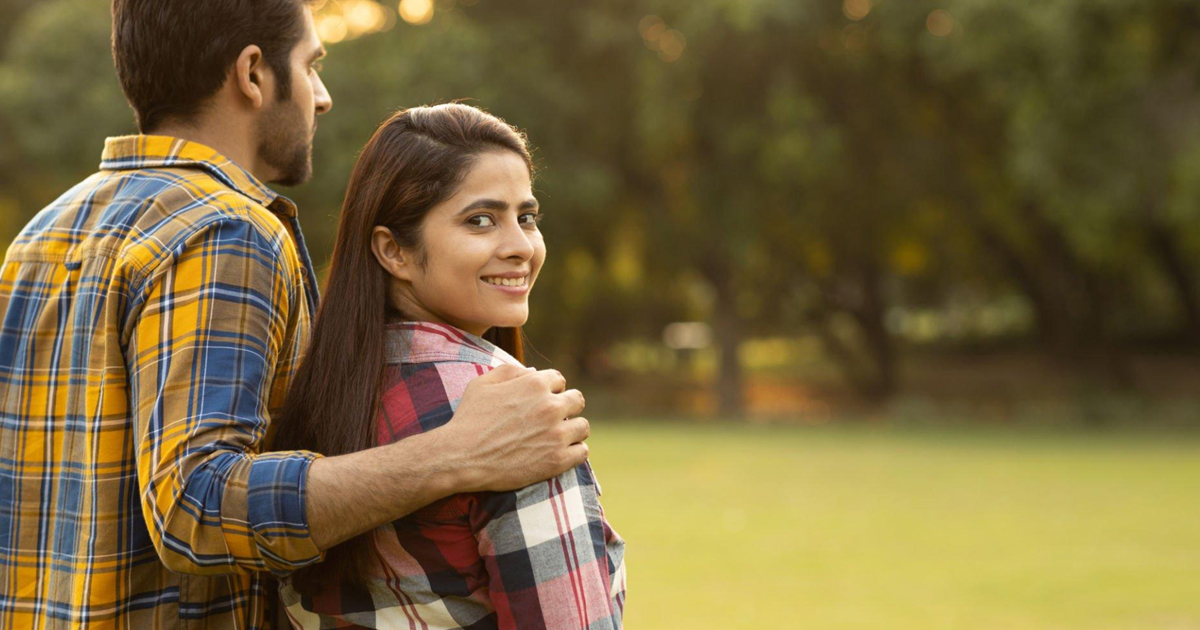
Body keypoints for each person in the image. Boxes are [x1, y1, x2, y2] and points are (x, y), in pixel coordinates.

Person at [0, 2, 590, 628]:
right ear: (253, 74)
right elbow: (193, 506)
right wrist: (454, 453)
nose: (322, 96)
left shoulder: (42, 236)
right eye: (311, 66)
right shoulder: (225, 229)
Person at [272, 104, 625, 630]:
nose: (520, 247)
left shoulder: (312, 390)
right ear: (395, 251)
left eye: (526, 218)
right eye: (480, 220)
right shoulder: (513, 418)